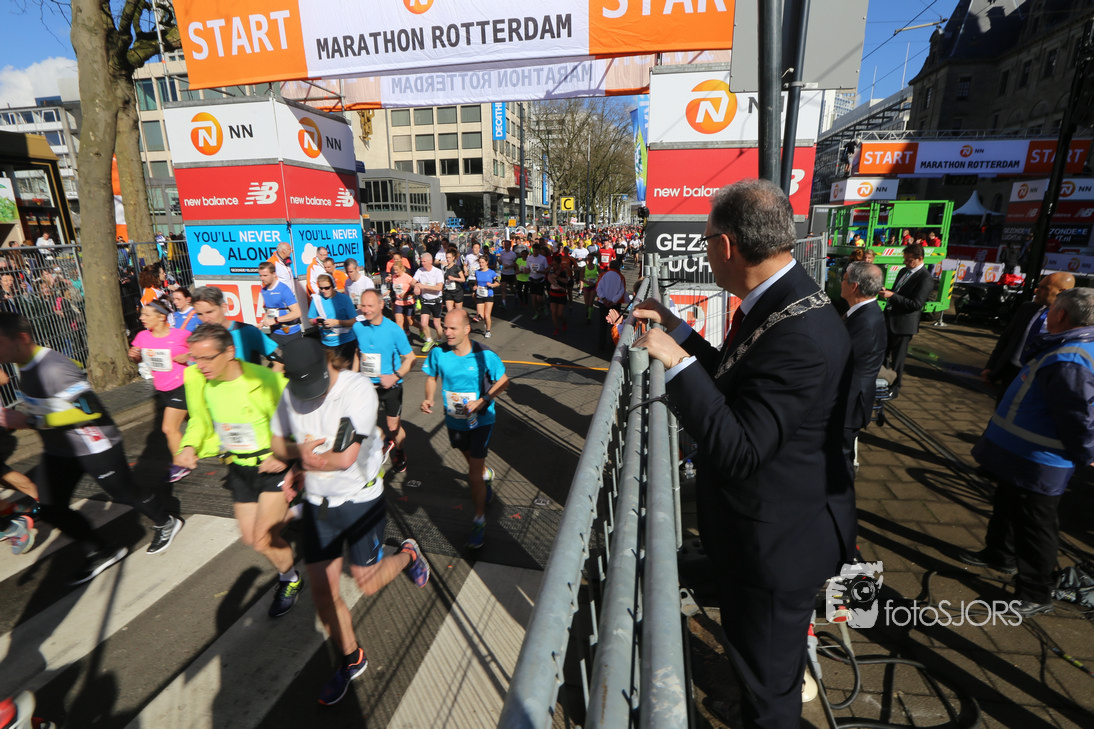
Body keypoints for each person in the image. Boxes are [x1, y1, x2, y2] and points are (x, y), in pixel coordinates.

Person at [631, 179, 855, 729]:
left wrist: (677, 364)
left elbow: (741, 448)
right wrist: (680, 332)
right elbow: (739, 381)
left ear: (727, 246)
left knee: (771, 686)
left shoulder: (798, 331)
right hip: (767, 530)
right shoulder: (784, 298)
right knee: (758, 663)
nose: (707, 251)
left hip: (777, 546)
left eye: (707, 240)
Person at [271, 337, 430, 706]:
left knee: (367, 582)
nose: (310, 395)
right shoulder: (291, 390)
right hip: (318, 503)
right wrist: (297, 455)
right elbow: (277, 443)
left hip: (360, 499)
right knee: (323, 591)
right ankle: (351, 657)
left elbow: (344, 458)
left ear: (327, 362)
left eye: (316, 383)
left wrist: (301, 461)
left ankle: (408, 554)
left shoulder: (357, 390)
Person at [0, 312, 184, 584]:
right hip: (60, 450)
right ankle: (102, 551)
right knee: (51, 507)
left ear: (22, 338)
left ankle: (166, 520)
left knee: (124, 492)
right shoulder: (23, 366)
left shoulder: (53, 367)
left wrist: (29, 421)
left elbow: (90, 410)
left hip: (95, 446)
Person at [959, 288, 1094, 617]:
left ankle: (1035, 592)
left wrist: (1087, 453)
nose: (1048, 315)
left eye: (1053, 309)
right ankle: (999, 554)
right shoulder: (1069, 347)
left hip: (1040, 459)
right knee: (1007, 505)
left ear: (1061, 315)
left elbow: (1079, 417)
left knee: (1035, 523)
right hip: (1021, 454)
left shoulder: (1072, 357)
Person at [173, 324, 303, 618]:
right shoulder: (201, 381)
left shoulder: (265, 381)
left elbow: (299, 424)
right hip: (239, 468)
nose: (200, 365)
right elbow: (199, 421)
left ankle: (291, 580)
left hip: (272, 466)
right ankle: (299, 509)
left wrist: (285, 458)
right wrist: (189, 446)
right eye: (195, 358)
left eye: (207, 358)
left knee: (263, 539)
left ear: (230, 352)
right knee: (250, 537)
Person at [420, 309, 509, 550]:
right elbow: (431, 376)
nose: (447, 332)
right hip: (455, 421)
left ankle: (479, 520)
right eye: (445, 327)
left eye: (453, 328)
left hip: (482, 420)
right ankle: (486, 475)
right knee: (469, 459)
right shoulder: (438, 352)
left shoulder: (484, 355)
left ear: (467, 329)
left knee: (473, 474)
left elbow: (503, 381)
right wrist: (428, 398)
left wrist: (484, 400)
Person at [981, 272, 1075, 403]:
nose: (1037, 290)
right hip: (1011, 373)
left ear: (1062, 292)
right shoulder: (1027, 308)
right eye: (1038, 286)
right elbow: (1006, 339)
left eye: (1044, 288)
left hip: (1037, 380)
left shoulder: (1071, 321)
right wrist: (991, 366)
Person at [127, 300, 192, 482]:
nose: (142, 318)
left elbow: (201, 352)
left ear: (162, 317)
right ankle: (219, 440)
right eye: (142, 314)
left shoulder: (182, 335)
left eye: (147, 315)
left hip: (183, 384)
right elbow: (138, 359)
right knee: (194, 420)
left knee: (169, 428)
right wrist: (134, 356)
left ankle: (180, 465)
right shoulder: (142, 336)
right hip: (162, 388)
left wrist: (188, 356)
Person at [352, 290, 415, 473]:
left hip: (391, 386)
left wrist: (394, 376)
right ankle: (376, 448)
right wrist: (353, 376)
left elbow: (411, 358)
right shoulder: (358, 327)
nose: (365, 310)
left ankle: (400, 451)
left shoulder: (394, 330)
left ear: (381, 305)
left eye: (370, 306)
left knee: (393, 426)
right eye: (363, 305)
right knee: (363, 424)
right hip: (367, 386)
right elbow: (358, 351)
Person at [840, 262, 887, 473]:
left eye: (843, 279)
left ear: (854, 286)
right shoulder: (864, 312)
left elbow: (839, 359)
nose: (840, 282)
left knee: (840, 464)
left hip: (847, 405)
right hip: (847, 401)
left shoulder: (865, 321)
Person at [878, 244, 933, 397]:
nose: (905, 263)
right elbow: (899, 292)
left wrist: (892, 296)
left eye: (909, 260)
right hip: (889, 318)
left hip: (903, 325)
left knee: (898, 360)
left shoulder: (925, 278)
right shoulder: (904, 271)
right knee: (882, 354)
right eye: (905, 259)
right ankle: (882, 382)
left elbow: (915, 304)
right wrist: (888, 292)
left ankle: (894, 388)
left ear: (919, 259)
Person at [191, 286, 279, 366]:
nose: (205, 319)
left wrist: (266, 378)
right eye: (200, 314)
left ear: (224, 307)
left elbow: (279, 361)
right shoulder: (199, 339)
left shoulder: (246, 331)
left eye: (210, 312)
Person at [309, 274, 358, 367]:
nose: (324, 291)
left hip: (346, 342)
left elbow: (354, 321)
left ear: (333, 286)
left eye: (327, 288)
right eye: (321, 288)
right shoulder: (316, 300)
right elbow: (310, 321)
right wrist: (316, 321)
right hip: (327, 344)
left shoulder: (344, 299)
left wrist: (337, 322)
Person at [258, 261, 304, 347]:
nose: (262, 278)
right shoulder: (264, 291)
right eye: (260, 275)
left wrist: (276, 320)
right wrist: (262, 322)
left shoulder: (284, 289)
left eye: (265, 275)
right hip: (275, 333)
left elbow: (297, 313)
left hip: (291, 333)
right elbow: (270, 311)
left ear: (274, 274)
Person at [412, 252, 445, 352]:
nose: (422, 263)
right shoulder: (420, 271)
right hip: (425, 301)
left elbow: (439, 287)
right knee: (423, 323)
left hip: (436, 301)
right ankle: (429, 340)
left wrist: (423, 286)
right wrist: (416, 286)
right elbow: (412, 282)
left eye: (424, 261)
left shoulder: (438, 272)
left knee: (436, 324)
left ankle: (440, 339)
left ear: (431, 261)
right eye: (421, 261)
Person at [595, 259, 627, 350]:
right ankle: (614, 345)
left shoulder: (602, 275)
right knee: (615, 325)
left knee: (603, 324)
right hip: (615, 304)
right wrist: (613, 301)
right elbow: (621, 291)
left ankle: (601, 345)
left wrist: (604, 299)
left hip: (603, 303)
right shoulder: (621, 276)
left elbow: (598, 288)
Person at [386, 259, 417, 337]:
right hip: (399, 302)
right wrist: (388, 282)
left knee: (410, 322)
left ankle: (421, 328)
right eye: (394, 270)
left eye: (397, 270)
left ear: (401, 268)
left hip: (408, 302)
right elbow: (394, 285)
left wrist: (406, 294)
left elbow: (414, 287)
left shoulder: (407, 277)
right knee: (399, 322)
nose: (395, 272)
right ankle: (401, 338)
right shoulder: (394, 277)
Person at [472, 256, 500, 338]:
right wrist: (475, 286)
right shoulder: (477, 272)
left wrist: (491, 285)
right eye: (480, 262)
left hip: (489, 295)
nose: (481, 264)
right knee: (480, 316)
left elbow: (497, 283)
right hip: (480, 295)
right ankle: (486, 323)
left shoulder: (491, 272)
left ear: (486, 262)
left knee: (487, 315)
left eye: (482, 262)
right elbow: (477, 282)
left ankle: (488, 331)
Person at [546, 257, 570, 336]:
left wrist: (557, 278)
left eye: (555, 265)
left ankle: (564, 322)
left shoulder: (563, 271)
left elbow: (566, 281)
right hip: (553, 294)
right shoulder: (552, 270)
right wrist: (558, 286)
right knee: (554, 313)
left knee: (560, 314)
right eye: (553, 265)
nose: (554, 266)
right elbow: (549, 278)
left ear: (559, 264)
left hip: (561, 295)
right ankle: (557, 328)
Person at [526, 244, 549, 319]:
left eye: (536, 251)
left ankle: (543, 305)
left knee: (539, 298)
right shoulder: (529, 258)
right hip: (532, 279)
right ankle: (537, 312)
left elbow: (547, 269)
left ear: (539, 251)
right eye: (534, 251)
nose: (535, 252)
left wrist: (541, 272)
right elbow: (528, 268)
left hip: (540, 280)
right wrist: (526, 270)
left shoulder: (543, 258)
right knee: (533, 299)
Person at [441, 249, 467, 313]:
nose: (448, 259)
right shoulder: (445, 268)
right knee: (449, 312)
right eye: (447, 257)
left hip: (457, 292)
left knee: (458, 312)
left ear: (453, 258)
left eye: (449, 257)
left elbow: (463, 279)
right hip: (448, 291)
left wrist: (454, 278)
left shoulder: (457, 267)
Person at [497, 239, 518, 308]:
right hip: (504, 273)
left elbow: (515, 264)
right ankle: (504, 303)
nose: (506, 246)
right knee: (503, 288)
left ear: (510, 246)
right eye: (505, 245)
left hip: (511, 273)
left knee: (511, 287)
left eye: (507, 245)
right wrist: (498, 261)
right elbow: (501, 262)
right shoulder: (502, 253)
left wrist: (508, 266)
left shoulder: (513, 254)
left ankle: (516, 294)